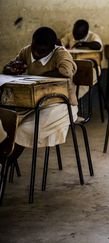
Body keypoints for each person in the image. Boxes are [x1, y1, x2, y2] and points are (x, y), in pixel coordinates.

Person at [3, 27, 77, 162]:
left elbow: (66, 72)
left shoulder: (60, 53)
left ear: (52, 47)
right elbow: (9, 66)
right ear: (32, 42)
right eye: (34, 48)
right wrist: (10, 69)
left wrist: (40, 77)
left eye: (42, 51)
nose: (36, 53)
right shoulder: (27, 51)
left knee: (24, 129)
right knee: (6, 124)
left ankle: (6, 162)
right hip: (31, 104)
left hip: (59, 105)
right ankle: (5, 160)